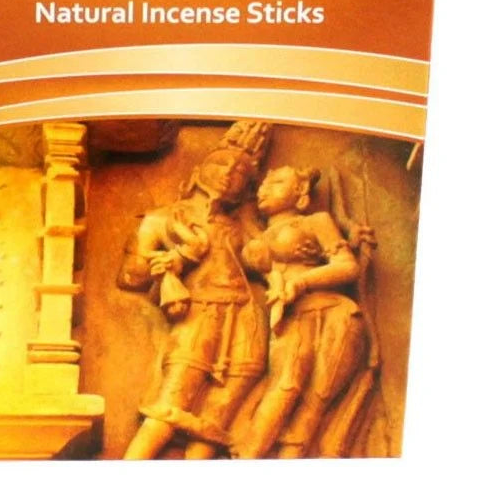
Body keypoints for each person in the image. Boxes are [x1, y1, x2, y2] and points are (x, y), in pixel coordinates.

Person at [116, 120, 271, 459]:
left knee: (218, 414)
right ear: (199, 171)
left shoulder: (242, 226)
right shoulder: (162, 219)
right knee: (170, 403)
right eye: (221, 163)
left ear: (248, 188)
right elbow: (130, 276)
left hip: (246, 320)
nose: (228, 173)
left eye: (240, 172)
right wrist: (170, 260)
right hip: (196, 316)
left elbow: (267, 263)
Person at [235, 165, 373, 459]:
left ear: (300, 193)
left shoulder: (315, 221)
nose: (265, 188)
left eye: (277, 182)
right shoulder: (255, 234)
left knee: (315, 399)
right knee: (285, 385)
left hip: (332, 312)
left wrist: (301, 282)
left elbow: (347, 266)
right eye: (263, 184)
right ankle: (248, 455)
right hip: (287, 316)